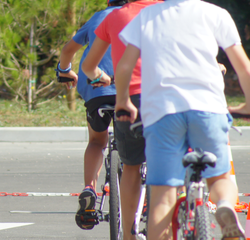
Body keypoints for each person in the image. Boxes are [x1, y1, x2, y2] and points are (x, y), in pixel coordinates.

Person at [116, 0, 249, 239]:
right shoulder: (216, 14)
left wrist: (123, 101)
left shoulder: (147, 16)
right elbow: (244, 68)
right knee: (219, 179)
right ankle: (224, 206)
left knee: (163, 197)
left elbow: (125, 66)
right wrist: (247, 104)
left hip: (162, 112)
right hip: (208, 108)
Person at [80, 1, 161, 238]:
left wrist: (102, 78)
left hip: (123, 97)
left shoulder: (113, 17)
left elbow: (85, 63)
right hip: (163, 97)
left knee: (128, 164)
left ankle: (127, 233)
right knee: (165, 161)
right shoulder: (167, 11)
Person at [56, 0, 125, 230]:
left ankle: (89, 188)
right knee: (142, 143)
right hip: (132, 92)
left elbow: (67, 51)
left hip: (97, 91)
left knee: (97, 141)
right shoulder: (140, 16)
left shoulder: (98, 17)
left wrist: (64, 71)